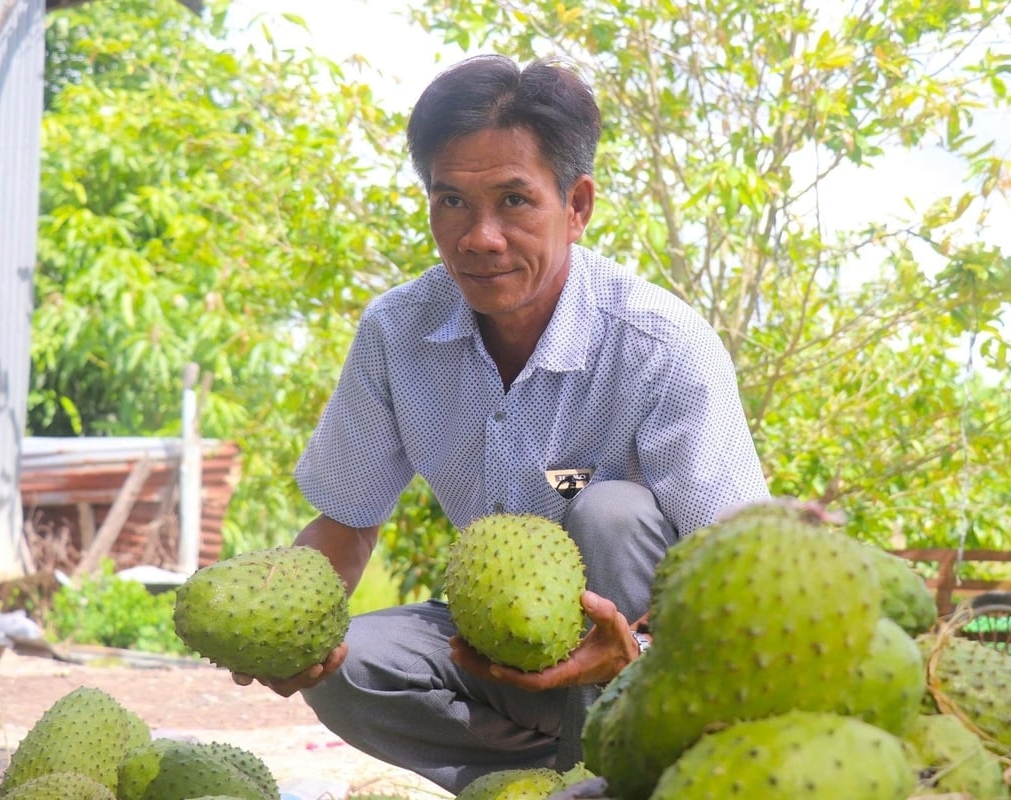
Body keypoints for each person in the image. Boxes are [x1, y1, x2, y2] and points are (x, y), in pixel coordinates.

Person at [232, 53, 770, 794]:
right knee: (343, 662)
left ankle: (632, 763)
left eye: (514, 201)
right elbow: (346, 524)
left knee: (613, 511)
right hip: (495, 656)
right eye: (450, 201)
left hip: (657, 665)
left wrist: (639, 648)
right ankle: (554, 783)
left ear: (576, 206)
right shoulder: (397, 332)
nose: (478, 237)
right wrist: (277, 624)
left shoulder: (661, 343)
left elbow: (741, 570)